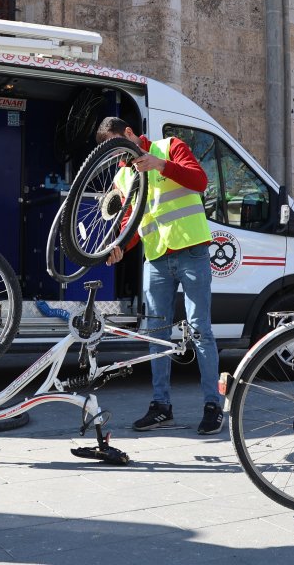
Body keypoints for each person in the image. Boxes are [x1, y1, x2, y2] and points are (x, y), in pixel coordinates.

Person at [97, 117, 224, 435]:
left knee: (200, 332)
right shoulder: (123, 176)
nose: (118, 158)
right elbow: (130, 219)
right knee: (156, 334)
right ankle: (161, 406)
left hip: (191, 252)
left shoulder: (170, 147)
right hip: (155, 259)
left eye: (117, 148)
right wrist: (121, 247)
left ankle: (213, 407)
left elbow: (200, 181)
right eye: (110, 155)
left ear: (128, 134)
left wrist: (160, 164)